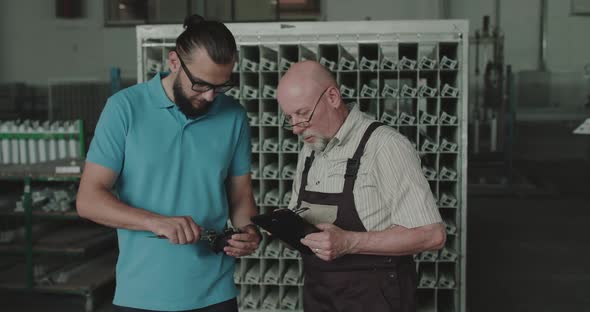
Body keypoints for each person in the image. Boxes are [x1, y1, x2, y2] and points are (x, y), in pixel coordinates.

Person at [76, 15, 260, 312]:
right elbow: (88, 199)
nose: (211, 96)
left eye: (221, 86)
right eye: (200, 84)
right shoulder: (124, 109)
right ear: (174, 62)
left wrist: (248, 231)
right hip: (142, 294)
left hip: (216, 293)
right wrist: (155, 221)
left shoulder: (233, 116)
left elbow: (240, 196)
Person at [276, 60, 446, 312]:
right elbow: (301, 220)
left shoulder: (385, 146)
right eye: (289, 118)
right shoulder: (311, 150)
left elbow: (432, 235)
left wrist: (349, 242)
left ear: (332, 96)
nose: (296, 129)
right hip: (319, 294)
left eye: (303, 114)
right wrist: (285, 229)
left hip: (375, 297)